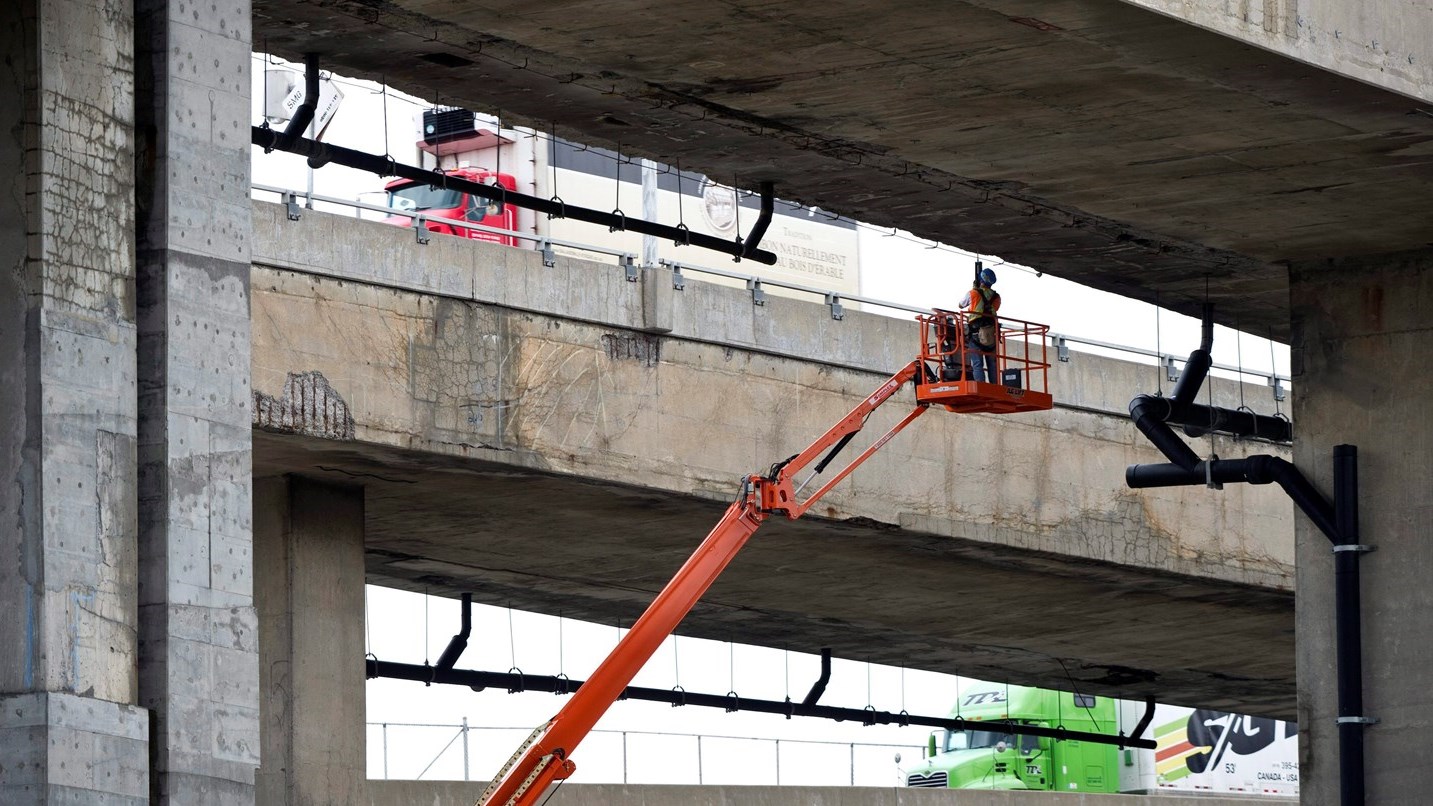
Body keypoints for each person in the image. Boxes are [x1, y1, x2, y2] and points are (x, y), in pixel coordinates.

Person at [960, 267, 1001, 383]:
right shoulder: (997, 297)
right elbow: (995, 308)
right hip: (991, 333)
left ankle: (980, 384)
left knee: (977, 362)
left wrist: (975, 290)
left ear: (980, 280)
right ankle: (995, 385)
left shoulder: (973, 293)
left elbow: (960, 305)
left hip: (975, 332)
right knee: (992, 363)